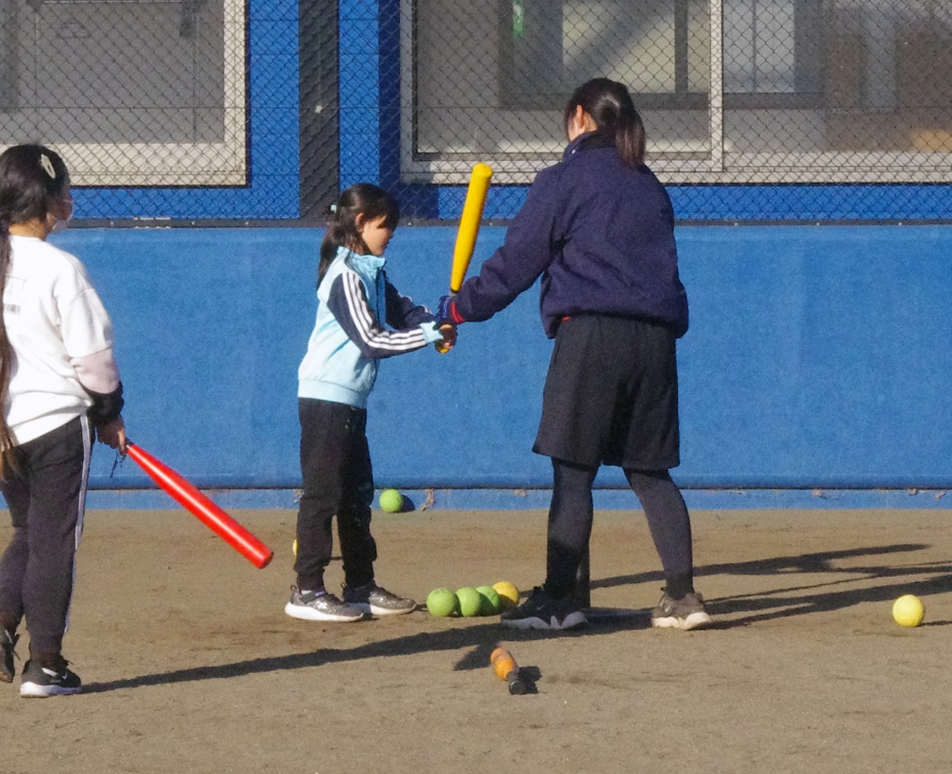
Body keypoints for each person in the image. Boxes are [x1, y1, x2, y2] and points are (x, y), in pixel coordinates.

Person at [438, 78, 711, 632]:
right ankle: (683, 599)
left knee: (574, 471)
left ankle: (562, 602)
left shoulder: (562, 180)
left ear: (581, 118)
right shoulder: (651, 186)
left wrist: (459, 309)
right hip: (654, 342)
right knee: (649, 471)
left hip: (591, 336)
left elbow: (517, 262)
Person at [0, 144, 128, 696]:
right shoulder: (60, 268)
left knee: (29, 532)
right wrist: (109, 413)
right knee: (54, 543)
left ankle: (0, 626)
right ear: (48, 200)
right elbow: (93, 358)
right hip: (56, 428)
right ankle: (46, 665)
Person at [289, 183, 456, 622]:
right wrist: (427, 336)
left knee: (357, 495)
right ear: (360, 224)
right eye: (386, 227)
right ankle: (306, 590)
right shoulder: (343, 274)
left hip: (352, 401)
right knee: (322, 495)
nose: (392, 234)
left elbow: (400, 309)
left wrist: (438, 321)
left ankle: (360, 585)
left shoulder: (371, 271)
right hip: (325, 398)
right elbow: (371, 339)